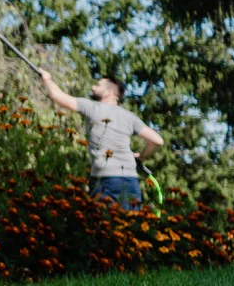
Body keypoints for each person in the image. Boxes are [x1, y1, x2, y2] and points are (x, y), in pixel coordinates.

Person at [39, 72, 163, 209]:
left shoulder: (93, 107)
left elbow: (58, 96)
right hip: (130, 180)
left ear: (109, 92)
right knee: (130, 226)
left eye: (98, 85)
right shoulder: (129, 116)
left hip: (105, 181)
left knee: (102, 226)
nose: (93, 87)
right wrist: (141, 157)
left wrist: (47, 79)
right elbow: (157, 141)